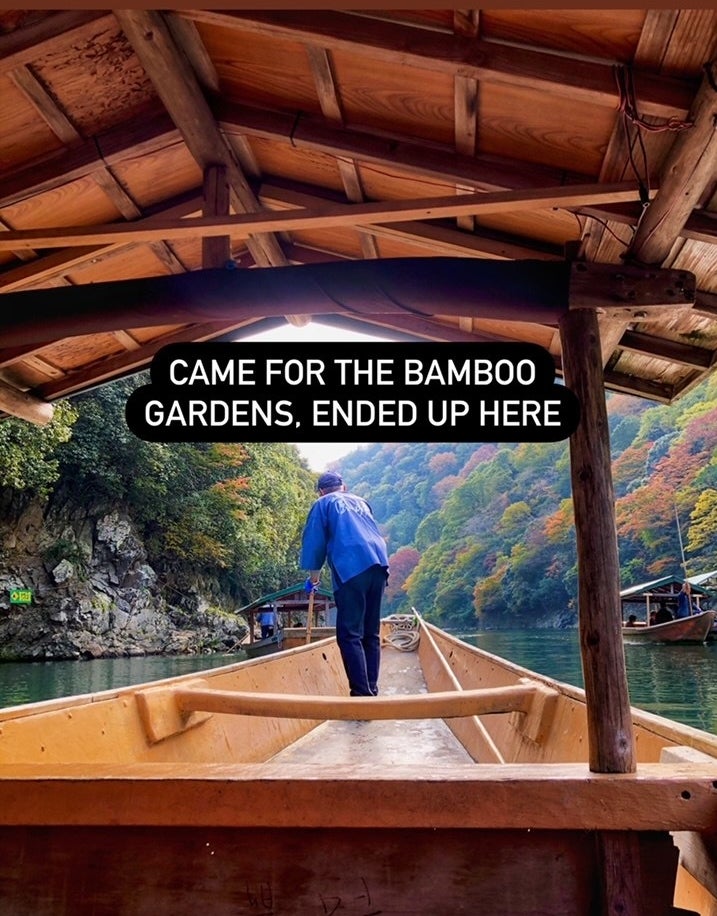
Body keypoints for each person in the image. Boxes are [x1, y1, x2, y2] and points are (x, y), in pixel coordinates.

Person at [300, 471, 389, 697]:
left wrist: (313, 578)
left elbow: (314, 544)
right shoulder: (361, 502)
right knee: (371, 631)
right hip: (379, 565)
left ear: (321, 491)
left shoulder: (323, 504)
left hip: (351, 567)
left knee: (349, 634)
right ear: (344, 487)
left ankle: (361, 694)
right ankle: (372, 688)